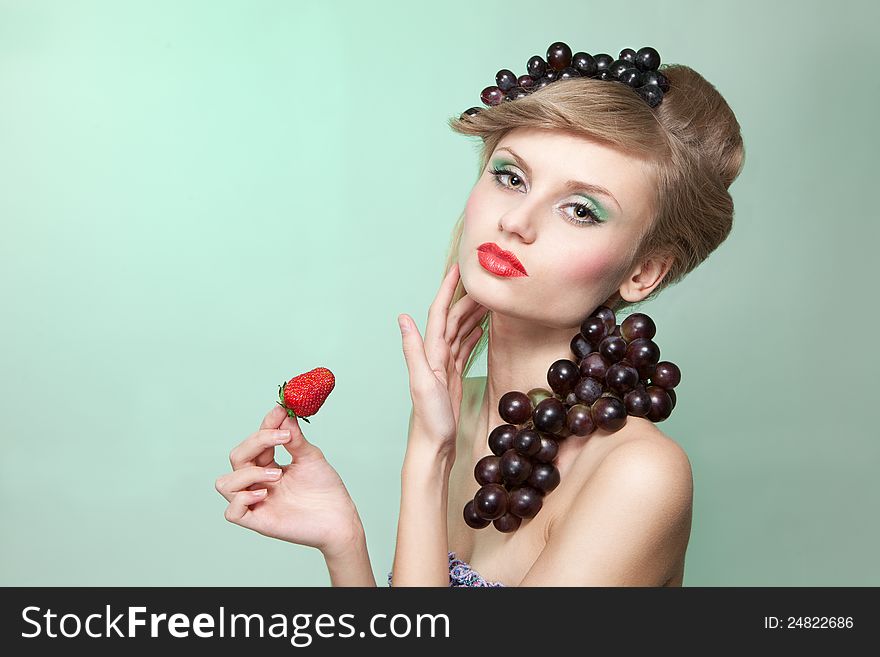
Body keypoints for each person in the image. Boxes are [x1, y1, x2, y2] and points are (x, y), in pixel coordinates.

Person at [214, 53, 744, 587]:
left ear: (644, 272)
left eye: (580, 209)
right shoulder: (457, 406)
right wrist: (344, 543)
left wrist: (429, 456)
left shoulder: (639, 477)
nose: (515, 221)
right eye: (511, 177)